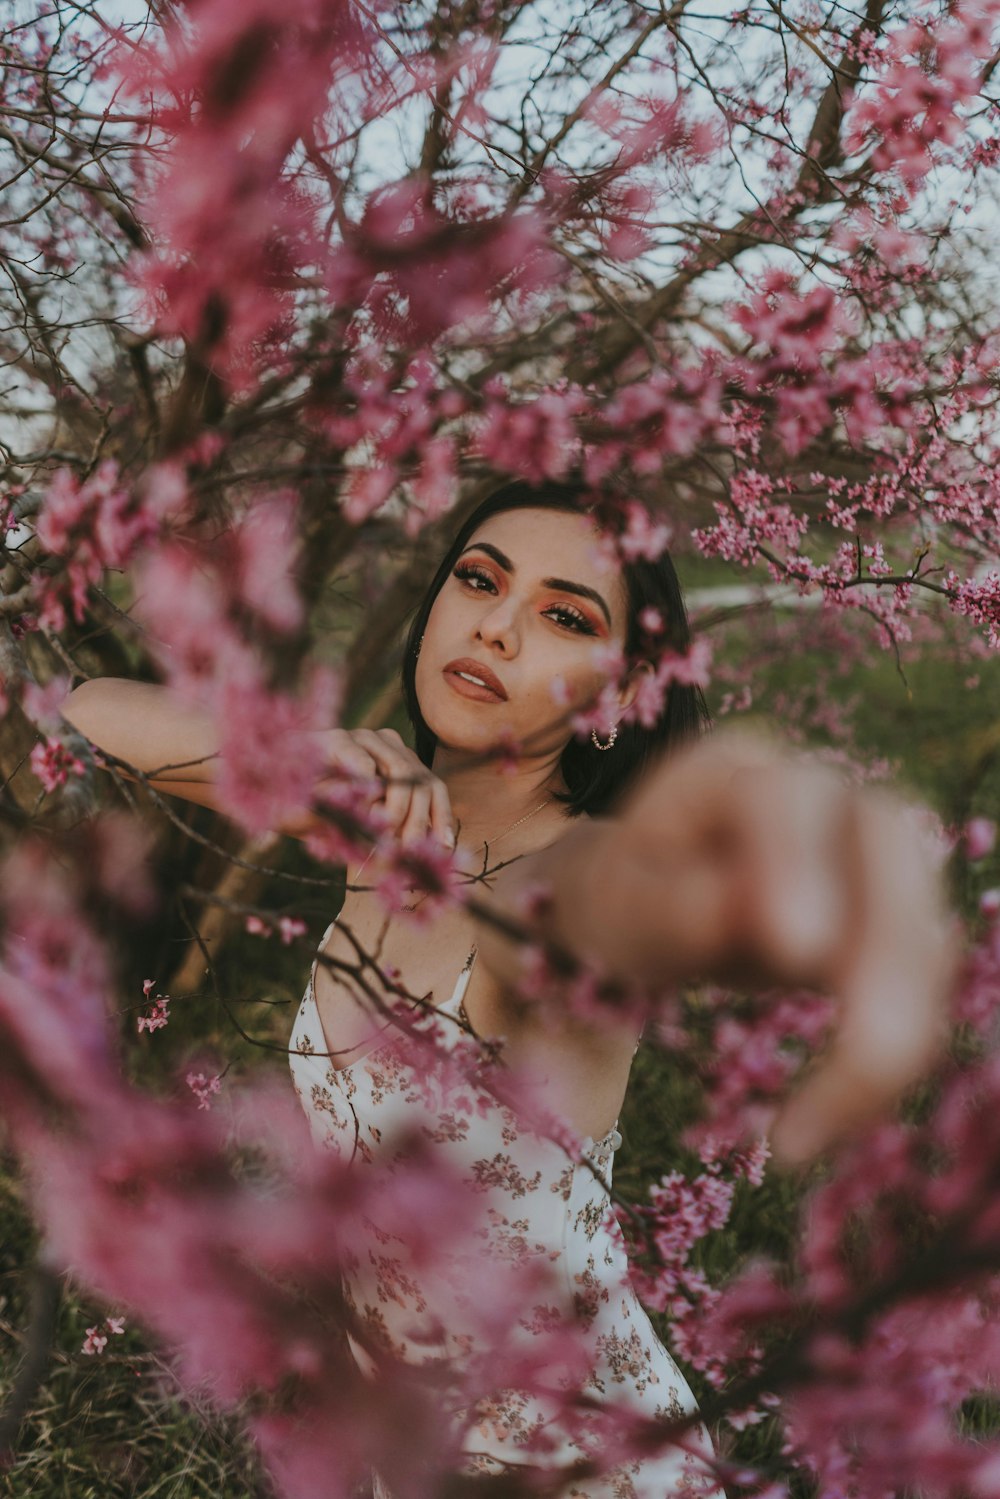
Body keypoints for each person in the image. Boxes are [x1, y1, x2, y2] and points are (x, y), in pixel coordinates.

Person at [62, 480, 956, 1497]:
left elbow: (645, 900)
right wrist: (301, 760)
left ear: (620, 693)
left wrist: (778, 874)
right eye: (479, 580)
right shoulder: (383, 827)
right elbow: (90, 712)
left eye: (564, 615)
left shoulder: (558, 887)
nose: (495, 623)